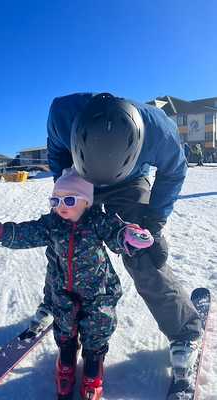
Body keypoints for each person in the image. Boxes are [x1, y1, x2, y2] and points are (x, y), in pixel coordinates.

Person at [40, 92, 202, 390]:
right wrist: (68, 193)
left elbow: (174, 171)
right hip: (79, 175)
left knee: (142, 253)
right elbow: (58, 156)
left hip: (129, 183)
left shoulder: (159, 130)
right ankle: (56, 299)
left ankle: (184, 331)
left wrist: (154, 222)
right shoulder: (62, 114)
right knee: (64, 237)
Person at [0, 168, 154, 400]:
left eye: (69, 200)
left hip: (98, 291)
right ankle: (66, 357)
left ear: (86, 202)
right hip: (63, 291)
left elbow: (117, 232)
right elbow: (27, 233)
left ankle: (93, 364)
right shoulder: (51, 224)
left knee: (98, 325)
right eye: (55, 200)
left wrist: (130, 235)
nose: (61, 206)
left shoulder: (97, 220)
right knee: (64, 327)